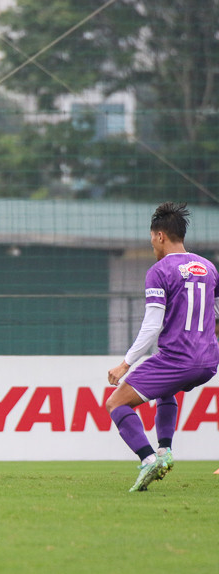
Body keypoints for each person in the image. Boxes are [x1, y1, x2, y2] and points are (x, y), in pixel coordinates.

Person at [106, 202, 219, 492]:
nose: (152, 246)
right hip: (207, 361)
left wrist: (126, 363)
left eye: (151, 239)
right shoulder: (208, 268)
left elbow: (152, 325)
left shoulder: (160, 270)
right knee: (166, 389)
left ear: (159, 237)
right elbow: (215, 314)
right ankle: (165, 450)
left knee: (116, 403)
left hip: (178, 358)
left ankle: (147, 460)